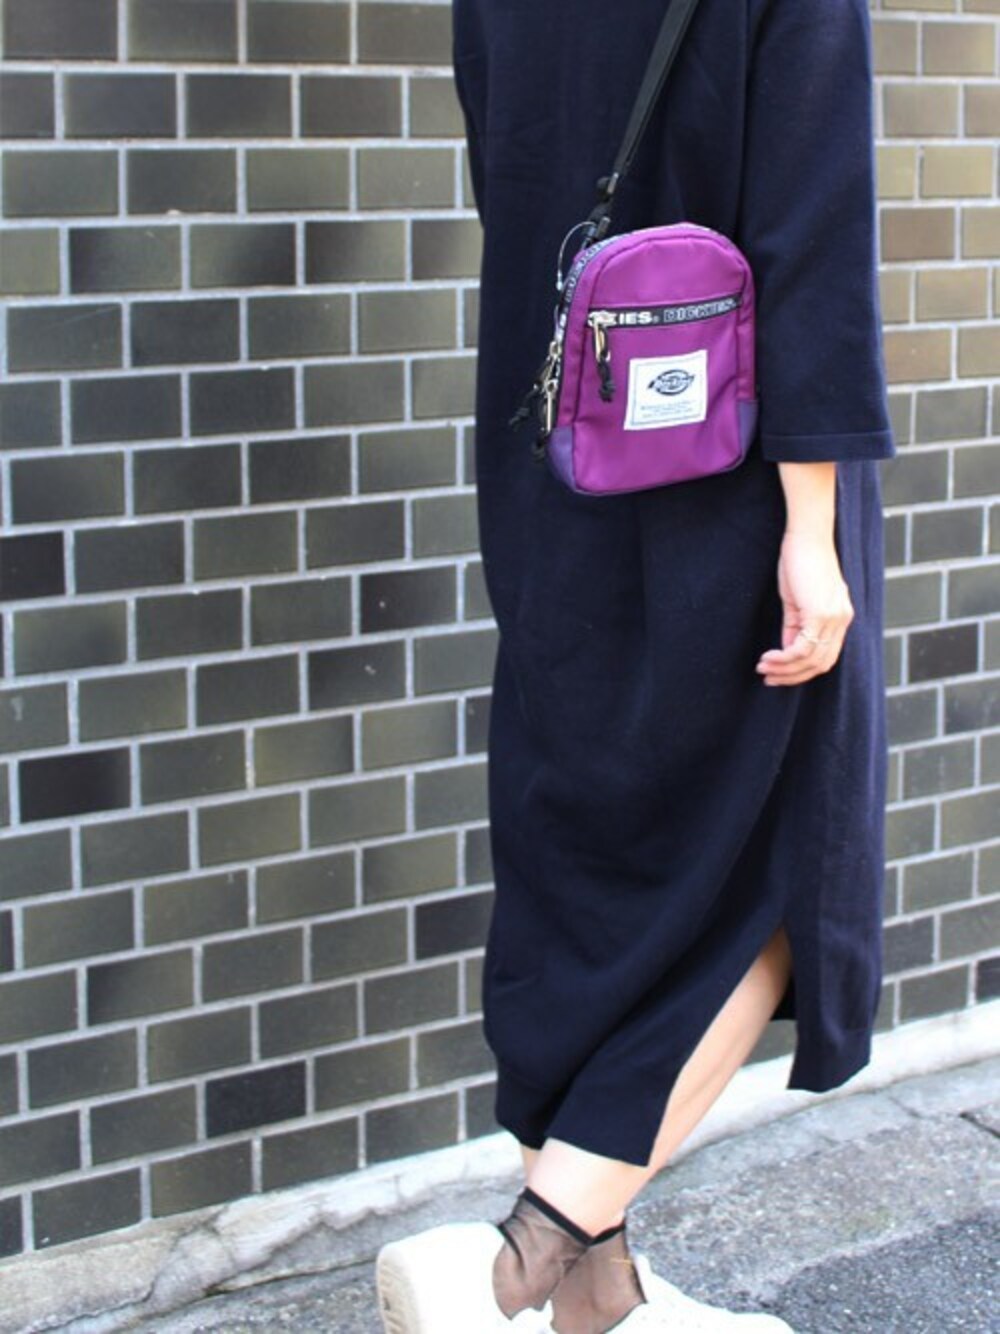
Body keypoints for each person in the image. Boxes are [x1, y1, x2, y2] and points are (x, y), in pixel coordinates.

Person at [376, 0, 896, 1330]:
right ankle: (511, 1268)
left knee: (592, 864)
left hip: (561, 446)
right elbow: (812, 232)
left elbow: (510, 164)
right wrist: (814, 530)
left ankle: (599, 1302)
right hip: (734, 474)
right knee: (786, 879)